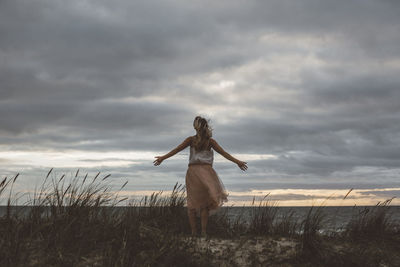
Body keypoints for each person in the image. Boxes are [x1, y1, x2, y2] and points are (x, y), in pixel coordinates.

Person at [153, 116, 247, 237]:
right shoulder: (210, 142)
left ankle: (193, 233)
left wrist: (163, 158)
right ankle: (203, 232)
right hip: (207, 173)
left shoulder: (191, 140)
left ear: (195, 126)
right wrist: (238, 162)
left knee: (192, 203)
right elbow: (224, 153)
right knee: (205, 204)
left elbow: (176, 150)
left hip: (193, 172)